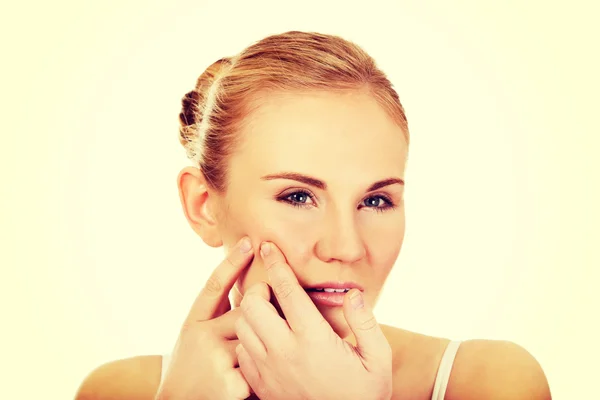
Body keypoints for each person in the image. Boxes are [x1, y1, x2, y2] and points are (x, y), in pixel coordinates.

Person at [75, 31, 551, 400]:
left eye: (375, 201)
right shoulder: (121, 391)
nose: (346, 247)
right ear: (204, 205)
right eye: (298, 197)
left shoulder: (487, 381)